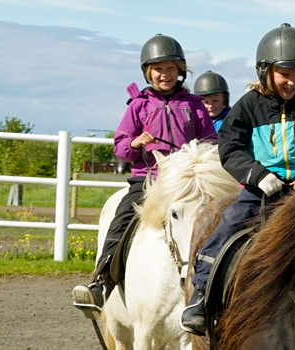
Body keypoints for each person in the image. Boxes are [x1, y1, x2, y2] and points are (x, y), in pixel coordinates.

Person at [180, 23, 295, 334]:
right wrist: (258, 175)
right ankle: (202, 296)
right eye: (286, 73)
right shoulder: (248, 105)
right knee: (226, 227)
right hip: (261, 190)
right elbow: (231, 147)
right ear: (265, 70)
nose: (293, 81)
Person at [72, 33, 216, 317]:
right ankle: (102, 282)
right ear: (148, 72)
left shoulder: (194, 105)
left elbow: (211, 141)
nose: (165, 74)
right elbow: (121, 148)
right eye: (159, 69)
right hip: (148, 178)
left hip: (185, 180)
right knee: (123, 218)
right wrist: (135, 144)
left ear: (181, 71)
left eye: (171, 68)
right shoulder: (138, 105)